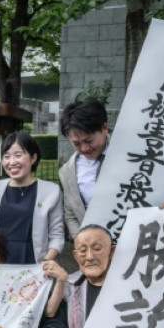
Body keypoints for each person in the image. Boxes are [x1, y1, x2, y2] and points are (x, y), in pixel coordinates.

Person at [0, 131, 64, 264]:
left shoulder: (51, 191)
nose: (12, 162)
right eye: (7, 156)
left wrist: (45, 262)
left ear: (33, 158)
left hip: (33, 264)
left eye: (18, 155)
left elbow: (57, 234)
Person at [58, 98, 110, 239]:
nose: (85, 148)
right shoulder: (67, 172)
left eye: (89, 140)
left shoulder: (127, 156)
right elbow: (70, 215)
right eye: (76, 144)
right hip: (92, 251)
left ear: (104, 128)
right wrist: (82, 243)